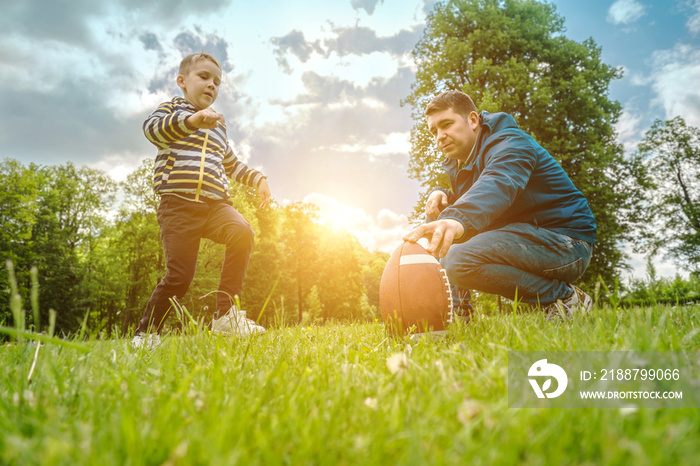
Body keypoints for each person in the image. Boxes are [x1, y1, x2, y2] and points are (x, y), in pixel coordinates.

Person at [403, 90, 596, 321]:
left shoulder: (511, 142)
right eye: (434, 131)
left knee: (458, 257)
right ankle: (459, 312)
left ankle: (565, 298)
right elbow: (476, 197)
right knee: (437, 221)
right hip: (524, 239)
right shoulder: (463, 162)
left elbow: (499, 182)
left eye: (446, 124)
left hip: (566, 243)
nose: (440, 136)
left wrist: (457, 217)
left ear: (472, 120)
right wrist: (441, 194)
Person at [132, 53, 270, 349]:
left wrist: (258, 178)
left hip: (215, 205)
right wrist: (192, 120)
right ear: (182, 81)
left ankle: (225, 316)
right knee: (180, 276)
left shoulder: (219, 126)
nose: (212, 85)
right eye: (204, 77)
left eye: (217, 82)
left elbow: (231, 164)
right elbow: (152, 130)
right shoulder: (171, 110)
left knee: (242, 232)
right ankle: (146, 334)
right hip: (178, 205)